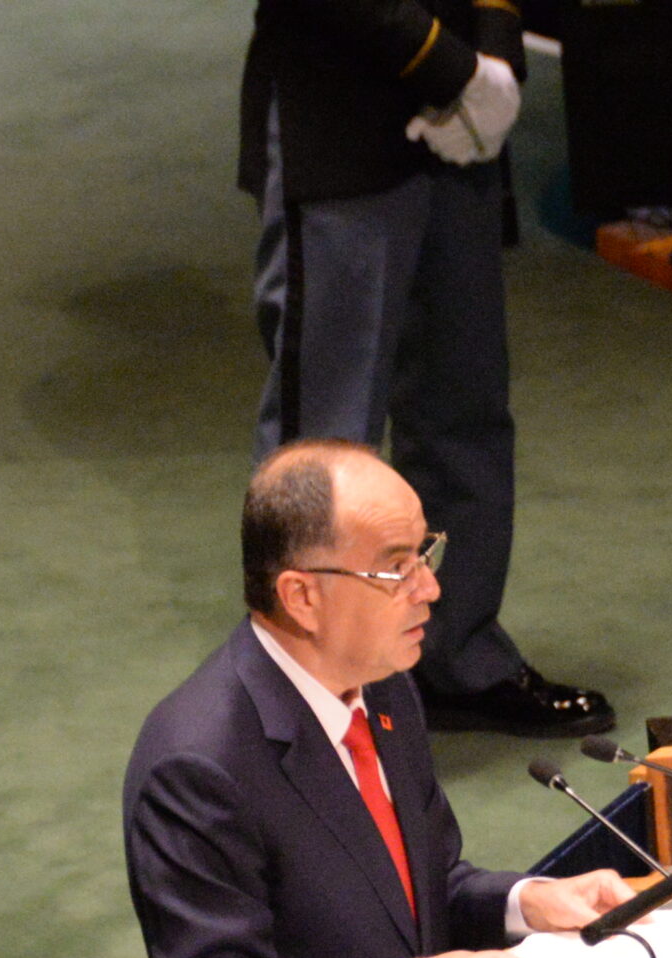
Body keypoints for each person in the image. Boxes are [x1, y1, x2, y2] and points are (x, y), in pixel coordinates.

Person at [125, 441, 635, 958]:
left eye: (426, 554)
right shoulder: (198, 763)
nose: (430, 587)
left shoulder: (387, 691)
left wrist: (529, 899)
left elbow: (418, 890)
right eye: (396, 567)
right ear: (302, 595)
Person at [239, 0, 614, 738]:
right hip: (341, 111)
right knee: (323, 446)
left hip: (461, 119)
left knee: (463, 401)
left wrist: (498, 55)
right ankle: (309, 704)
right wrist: (450, 65)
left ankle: (454, 657)